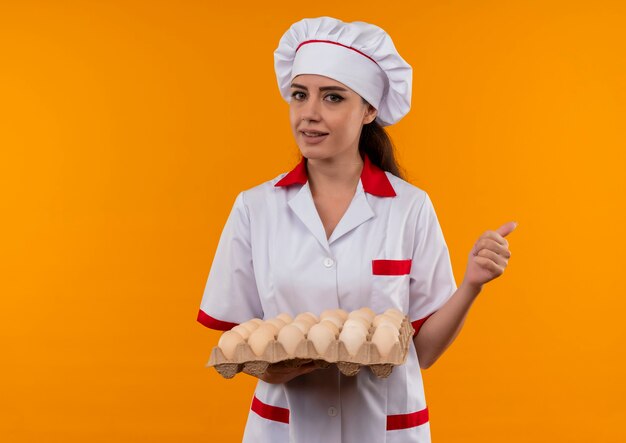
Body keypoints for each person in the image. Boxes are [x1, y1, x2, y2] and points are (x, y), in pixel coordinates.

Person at [197, 16, 517, 443]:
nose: (309, 114)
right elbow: (240, 339)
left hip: (386, 430)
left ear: (369, 110)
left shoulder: (410, 208)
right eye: (299, 95)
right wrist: (273, 366)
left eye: (332, 97)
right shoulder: (255, 208)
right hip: (285, 429)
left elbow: (424, 352)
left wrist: (472, 284)